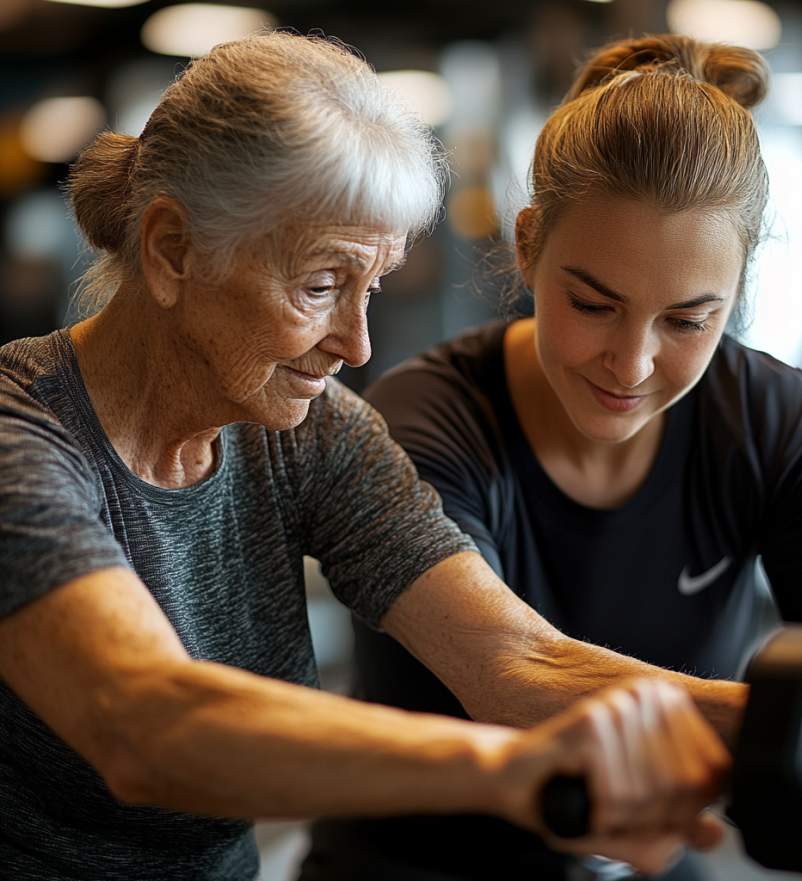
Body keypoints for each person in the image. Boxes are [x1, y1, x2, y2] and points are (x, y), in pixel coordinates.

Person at [0, 31, 733, 881]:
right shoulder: (22, 434)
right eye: (320, 285)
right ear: (172, 250)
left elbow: (517, 659)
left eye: (371, 286)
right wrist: (505, 771)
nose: (356, 344)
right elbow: (144, 723)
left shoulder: (311, 429)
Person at [301, 34, 802, 881]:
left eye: (686, 321)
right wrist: (798, 724)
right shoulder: (422, 422)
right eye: (593, 303)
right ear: (528, 244)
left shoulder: (777, 424)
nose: (632, 362)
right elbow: (515, 674)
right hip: (419, 866)